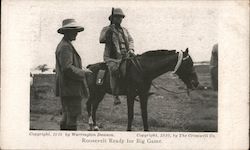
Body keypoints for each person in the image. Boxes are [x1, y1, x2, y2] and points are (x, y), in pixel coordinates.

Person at [55, 19, 92, 130]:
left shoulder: (63, 45)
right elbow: (67, 68)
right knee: (72, 117)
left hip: (66, 87)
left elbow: (66, 66)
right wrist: (83, 72)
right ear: (67, 32)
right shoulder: (66, 46)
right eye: (74, 31)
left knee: (66, 115)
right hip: (71, 88)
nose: (76, 34)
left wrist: (80, 68)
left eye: (76, 31)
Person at [103, 8, 135, 105]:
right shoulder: (106, 29)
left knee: (135, 68)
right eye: (117, 17)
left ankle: (132, 90)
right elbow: (101, 39)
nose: (120, 19)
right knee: (114, 70)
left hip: (126, 55)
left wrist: (131, 50)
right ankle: (115, 95)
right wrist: (109, 31)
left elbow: (130, 40)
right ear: (113, 18)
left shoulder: (125, 30)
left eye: (121, 17)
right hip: (112, 58)